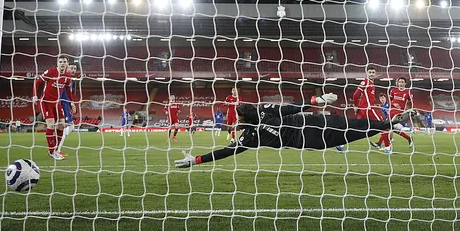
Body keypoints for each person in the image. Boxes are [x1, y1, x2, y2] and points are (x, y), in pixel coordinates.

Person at [174, 93, 417, 168]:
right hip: (313, 121)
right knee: (353, 126)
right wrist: (316, 101)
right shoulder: (264, 110)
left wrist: (196, 160)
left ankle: (389, 125)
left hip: (308, 139)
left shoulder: (250, 137)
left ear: (242, 118)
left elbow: (226, 152)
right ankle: (390, 124)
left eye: (237, 117)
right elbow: (290, 110)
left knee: (351, 134)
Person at [32, 55, 74, 160]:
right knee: (50, 125)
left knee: (62, 126)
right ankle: (51, 152)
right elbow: (37, 82)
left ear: (67, 64)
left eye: (64, 61)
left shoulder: (67, 76)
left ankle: (55, 150)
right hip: (46, 101)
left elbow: (68, 90)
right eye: (60, 61)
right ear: (57, 63)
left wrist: (72, 103)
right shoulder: (51, 72)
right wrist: (35, 95)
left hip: (57, 103)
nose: (63, 63)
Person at [351, 65, 389, 152]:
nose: (371, 74)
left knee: (354, 127)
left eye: (373, 73)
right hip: (368, 109)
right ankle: (387, 148)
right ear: (366, 73)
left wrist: (359, 106)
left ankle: (340, 144)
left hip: (363, 109)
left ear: (375, 74)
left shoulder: (371, 83)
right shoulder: (365, 82)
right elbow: (355, 94)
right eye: (370, 72)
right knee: (384, 125)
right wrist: (356, 105)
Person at [387, 77, 415, 151]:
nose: (401, 83)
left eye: (402, 82)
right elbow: (390, 101)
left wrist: (409, 110)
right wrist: (394, 103)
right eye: (400, 82)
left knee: (387, 127)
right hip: (391, 111)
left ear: (405, 83)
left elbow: (411, 103)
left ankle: (386, 146)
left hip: (399, 113)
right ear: (398, 83)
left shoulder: (408, 92)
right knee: (390, 128)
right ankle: (408, 138)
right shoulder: (393, 90)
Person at [57, 64, 78, 155]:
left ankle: (56, 148)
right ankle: (57, 150)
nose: (73, 70)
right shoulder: (62, 78)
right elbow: (59, 95)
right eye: (71, 68)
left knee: (71, 126)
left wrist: (71, 104)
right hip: (61, 105)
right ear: (66, 68)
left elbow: (67, 95)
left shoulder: (69, 80)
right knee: (64, 128)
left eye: (75, 68)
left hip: (65, 105)